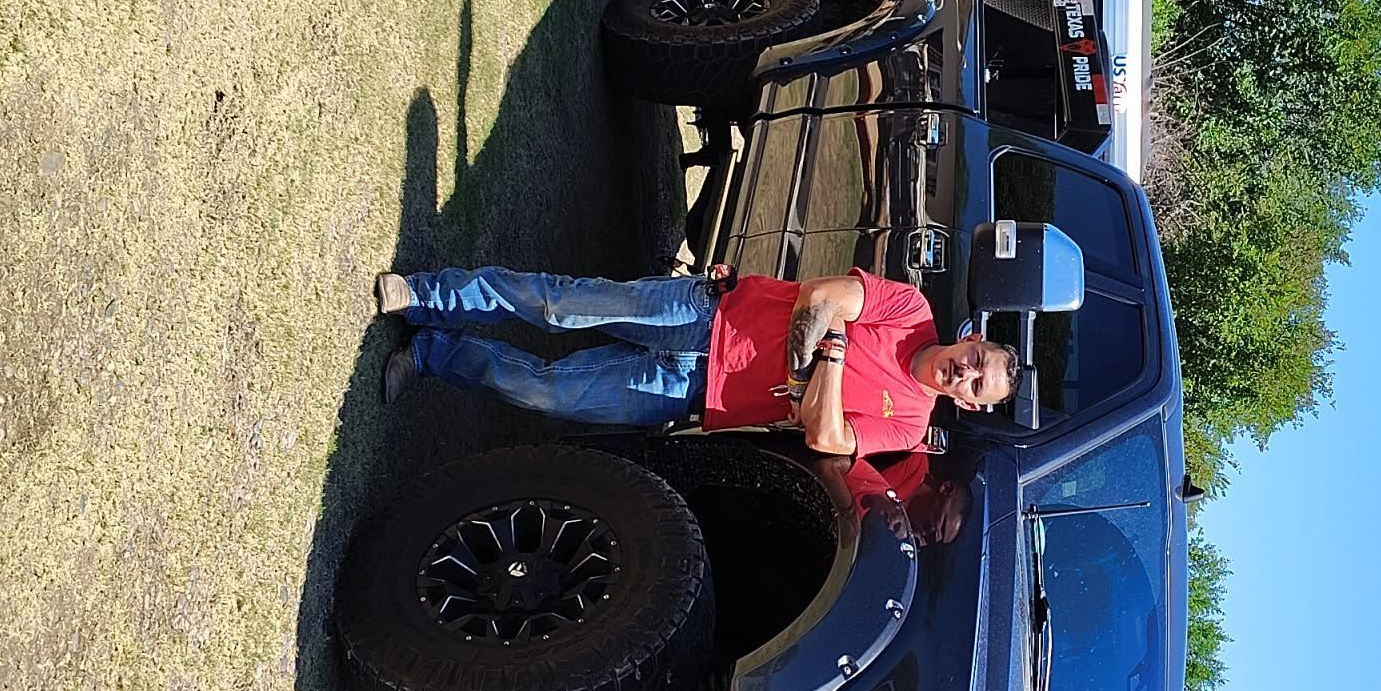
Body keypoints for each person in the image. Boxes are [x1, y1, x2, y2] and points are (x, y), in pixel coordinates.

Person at [373, 261, 1018, 458]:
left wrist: (834, 346)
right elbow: (823, 298)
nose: (965, 371)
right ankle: (427, 295)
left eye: (974, 385)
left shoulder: (907, 426)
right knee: (561, 307)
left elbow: (826, 438)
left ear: (965, 403)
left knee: (548, 391)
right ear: (970, 339)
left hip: (693, 392)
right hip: (706, 312)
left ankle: (431, 355)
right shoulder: (910, 310)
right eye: (975, 359)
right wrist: (823, 354)